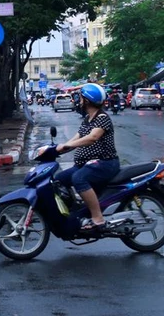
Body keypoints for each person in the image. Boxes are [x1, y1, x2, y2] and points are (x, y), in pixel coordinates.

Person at [52, 83, 120, 234]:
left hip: (105, 163)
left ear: (87, 100)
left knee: (79, 178)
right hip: (87, 164)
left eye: (81, 98)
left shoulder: (102, 118)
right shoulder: (88, 119)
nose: (79, 100)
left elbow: (92, 138)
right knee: (58, 180)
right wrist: (58, 149)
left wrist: (66, 146)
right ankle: (76, 212)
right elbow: (77, 138)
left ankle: (98, 218)